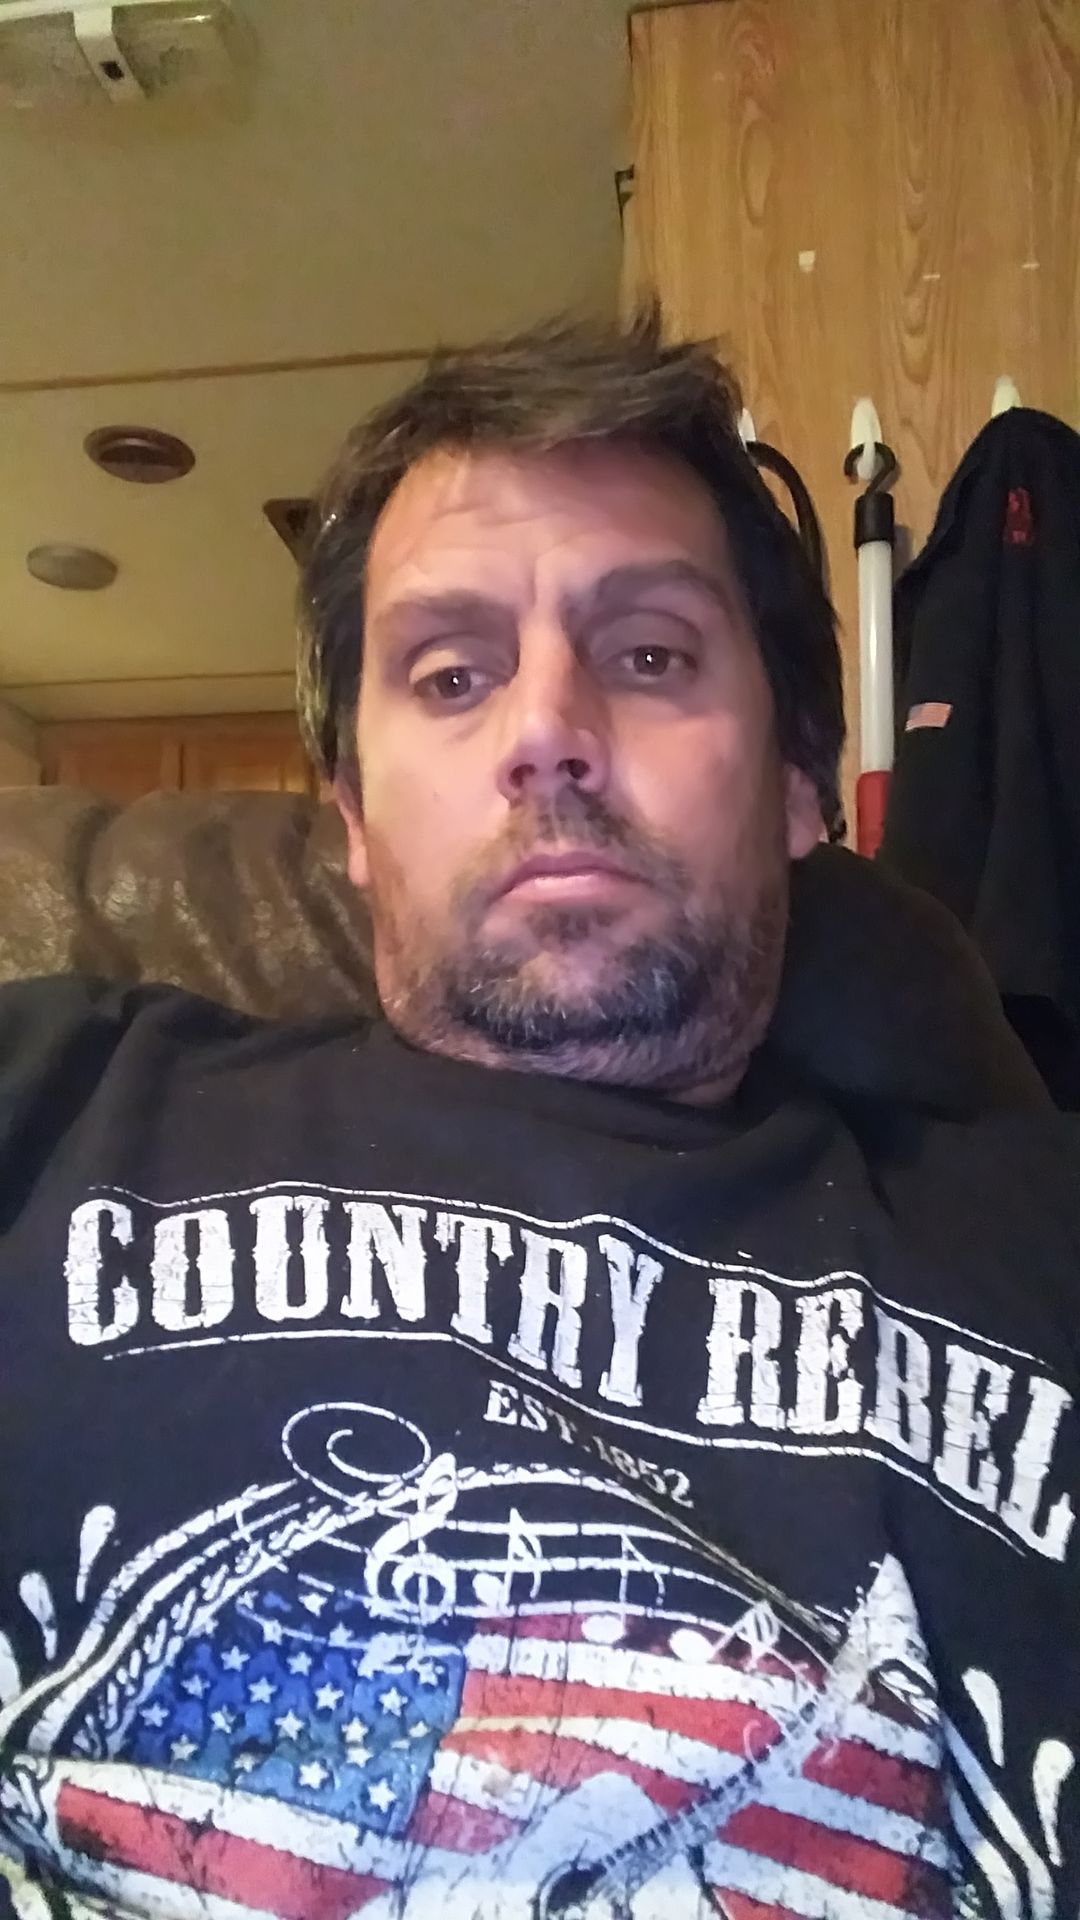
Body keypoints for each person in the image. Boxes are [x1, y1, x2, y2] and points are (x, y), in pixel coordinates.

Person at [0, 313, 1077, 1920]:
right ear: (352, 812)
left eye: (650, 655)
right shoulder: (54, 1109)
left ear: (800, 780)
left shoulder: (1042, 1237)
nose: (546, 732)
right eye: (451, 673)